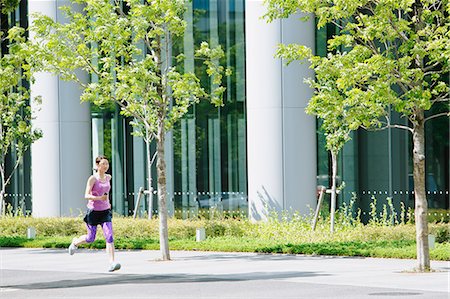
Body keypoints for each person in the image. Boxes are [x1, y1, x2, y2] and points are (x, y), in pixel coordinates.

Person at [68, 155, 121, 272]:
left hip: (105, 211)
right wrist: (99, 198)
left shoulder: (108, 177)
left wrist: (107, 202)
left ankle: (112, 263)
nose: (106, 166)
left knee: (109, 236)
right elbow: (86, 195)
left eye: (107, 164)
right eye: (103, 164)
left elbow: (106, 192)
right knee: (90, 238)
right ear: (97, 165)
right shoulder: (93, 179)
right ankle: (75, 242)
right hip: (93, 212)